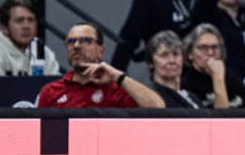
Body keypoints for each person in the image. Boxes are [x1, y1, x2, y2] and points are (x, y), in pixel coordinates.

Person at [35, 22, 164, 108]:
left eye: (86, 40)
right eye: (71, 41)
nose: (76, 46)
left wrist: (118, 76)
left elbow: (158, 108)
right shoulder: (51, 91)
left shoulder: (118, 88)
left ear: (101, 51)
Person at [180, 23, 245, 108]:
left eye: (215, 47)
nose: (210, 52)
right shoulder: (186, 85)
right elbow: (219, 119)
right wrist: (217, 78)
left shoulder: (232, 79)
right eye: (203, 47)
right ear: (190, 54)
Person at [145, 30, 203, 107]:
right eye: (164, 55)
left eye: (176, 54)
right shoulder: (151, 98)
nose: (172, 61)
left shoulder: (193, 97)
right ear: (151, 63)